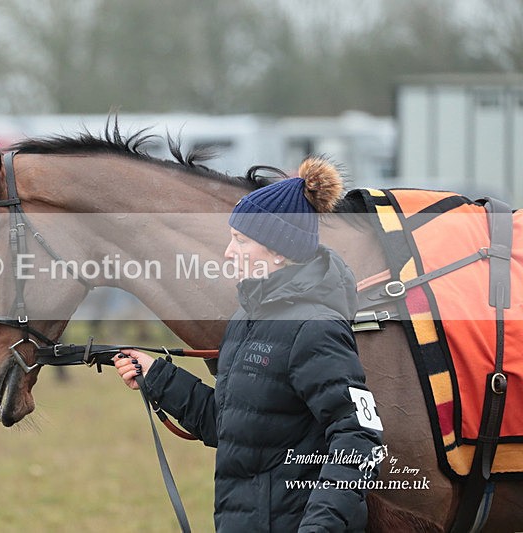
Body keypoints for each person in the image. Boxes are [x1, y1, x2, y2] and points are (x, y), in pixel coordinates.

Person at [114, 157, 384, 532]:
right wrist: (158, 377)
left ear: (279, 252)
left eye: (241, 240)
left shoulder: (314, 327)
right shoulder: (245, 321)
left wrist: (320, 527)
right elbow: (232, 427)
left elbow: (360, 436)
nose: (228, 252)